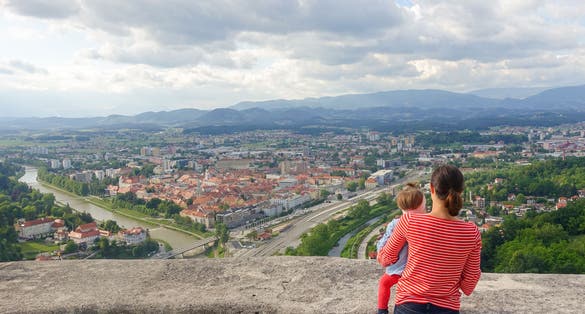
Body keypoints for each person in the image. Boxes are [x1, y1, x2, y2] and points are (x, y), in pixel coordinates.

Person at [378, 165, 481, 314]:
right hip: (446, 308)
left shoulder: (408, 221)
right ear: (461, 192)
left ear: (432, 189)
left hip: (408, 304)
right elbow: (468, 286)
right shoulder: (471, 232)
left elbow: (386, 259)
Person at [376, 182, 427, 314]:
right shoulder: (427, 222)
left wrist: (379, 248)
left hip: (397, 269)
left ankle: (382, 310)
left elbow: (386, 245)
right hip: (418, 271)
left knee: (384, 283)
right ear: (422, 204)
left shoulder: (396, 223)